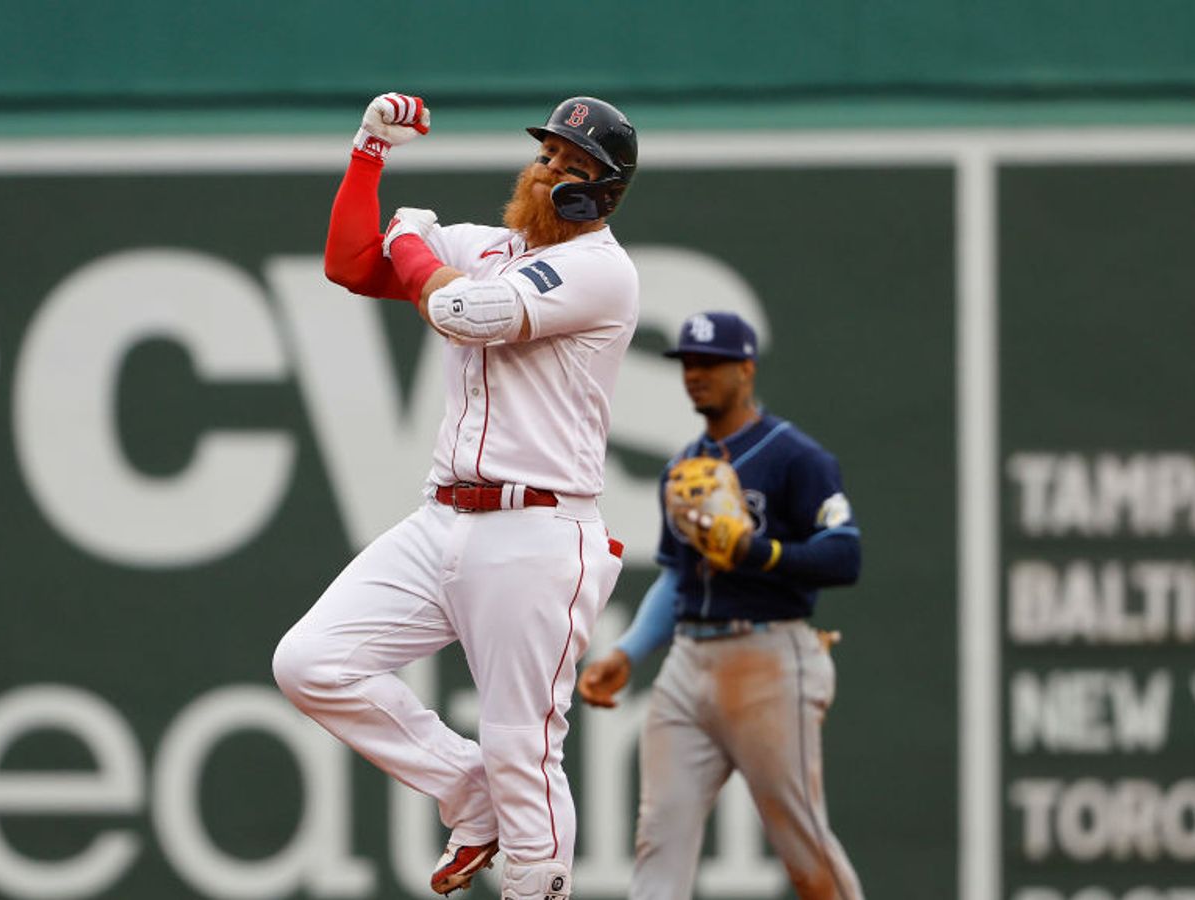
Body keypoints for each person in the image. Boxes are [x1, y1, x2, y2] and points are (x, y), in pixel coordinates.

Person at [271, 92, 639, 900]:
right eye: (546, 155)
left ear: (599, 193)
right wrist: (369, 151)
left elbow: (461, 311)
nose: (547, 171)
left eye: (571, 167)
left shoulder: (600, 270)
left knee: (523, 747)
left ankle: (534, 883)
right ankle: (468, 794)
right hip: (445, 518)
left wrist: (409, 236)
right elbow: (348, 262)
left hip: (537, 530)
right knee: (311, 663)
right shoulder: (495, 245)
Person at [576, 311, 866, 900]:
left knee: (802, 843)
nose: (695, 374)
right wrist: (630, 651)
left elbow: (844, 555)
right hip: (688, 663)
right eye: (687, 363)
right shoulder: (683, 469)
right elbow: (678, 578)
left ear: (746, 368)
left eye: (710, 363)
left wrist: (756, 552)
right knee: (658, 838)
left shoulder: (795, 457)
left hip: (770, 657)